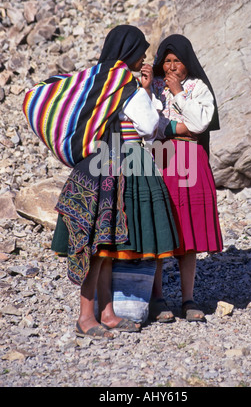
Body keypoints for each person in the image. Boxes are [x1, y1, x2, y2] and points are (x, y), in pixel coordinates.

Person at [49, 25, 179, 338]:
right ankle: (85, 318)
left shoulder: (97, 78)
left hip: (91, 166)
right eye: (141, 53)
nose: (145, 59)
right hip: (111, 171)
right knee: (96, 248)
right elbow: (148, 126)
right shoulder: (123, 84)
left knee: (103, 247)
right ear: (129, 52)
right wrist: (145, 93)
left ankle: (106, 312)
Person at [149, 34, 223, 323]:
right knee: (159, 229)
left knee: (188, 232)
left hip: (192, 163)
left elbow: (201, 124)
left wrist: (179, 93)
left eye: (176, 61)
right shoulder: (152, 88)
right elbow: (151, 124)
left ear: (187, 63)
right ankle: (157, 297)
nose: (170, 67)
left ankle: (188, 298)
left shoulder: (198, 88)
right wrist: (179, 128)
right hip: (160, 160)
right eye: (166, 61)